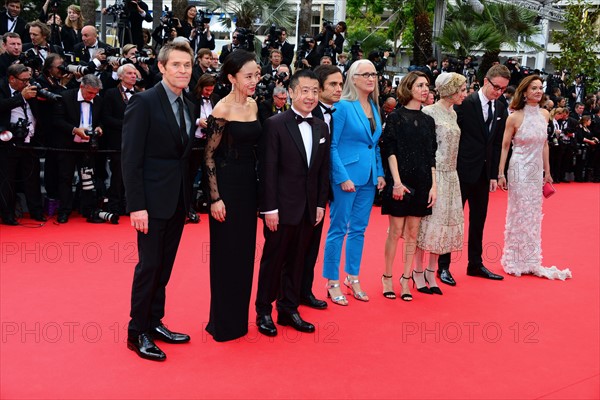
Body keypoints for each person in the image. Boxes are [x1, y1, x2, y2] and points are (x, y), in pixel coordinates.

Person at [122, 41, 195, 361]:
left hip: (177, 200)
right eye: (176, 65)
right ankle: (136, 331)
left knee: (164, 267)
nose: (183, 71)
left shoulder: (189, 104)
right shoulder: (144, 102)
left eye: (188, 65)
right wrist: (137, 205)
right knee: (149, 267)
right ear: (162, 67)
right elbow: (130, 157)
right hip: (150, 203)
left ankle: (154, 322)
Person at [255, 69, 330, 336]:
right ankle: (263, 310)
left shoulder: (322, 126)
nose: (310, 97)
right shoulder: (275, 124)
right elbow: (268, 170)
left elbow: (323, 170)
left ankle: (288, 309)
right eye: (304, 91)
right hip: (281, 208)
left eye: (314, 91)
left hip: (310, 208)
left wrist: (321, 204)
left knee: (299, 260)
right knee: (273, 260)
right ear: (291, 93)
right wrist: (269, 209)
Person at [203, 50, 261, 342]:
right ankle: (223, 324)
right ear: (231, 78)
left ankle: (239, 321)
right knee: (227, 254)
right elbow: (209, 156)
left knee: (244, 254)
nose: (254, 80)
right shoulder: (221, 109)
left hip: (249, 187)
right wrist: (215, 198)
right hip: (226, 187)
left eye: (257, 75)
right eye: (248, 76)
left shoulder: (254, 105)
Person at [437, 64, 511, 285]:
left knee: (479, 219)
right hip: (460, 172)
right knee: (452, 220)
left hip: (483, 174)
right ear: (486, 81)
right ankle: (443, 266)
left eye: (503, 89)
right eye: (496, 87)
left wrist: (495, 174)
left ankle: (475, 264)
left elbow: (497, 143)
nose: (499, 92)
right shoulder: (465, 104)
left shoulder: (500, 107)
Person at [322, 60, 385, 305]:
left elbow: (374, 144)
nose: (371, 78)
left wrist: (379, 173)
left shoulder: (374, 106)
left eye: (374, 74)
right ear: (353, 78)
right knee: (338, 229)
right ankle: (332, 281)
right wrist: (342, 177)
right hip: (346, 178)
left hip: (368, 178)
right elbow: (332, 145)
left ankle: (353, 276)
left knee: (359, 230)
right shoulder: (343, 107)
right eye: (366, 74)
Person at [497, 75, 572, 281]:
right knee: (519, 212)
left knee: (532, 214)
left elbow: (545, 144)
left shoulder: (545, 114)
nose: (538, 92)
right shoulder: (514, 117)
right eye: (534, 88)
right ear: (524, 92)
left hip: (536, 170)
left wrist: (547, 172)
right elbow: (505, 146)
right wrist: (501, 173)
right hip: (519, 169)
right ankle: (514, 259)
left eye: (540, 88)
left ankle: (530, 259)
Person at [379, 71, 437, 301]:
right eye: (420, 85)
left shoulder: (428, 121)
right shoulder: (396, 118)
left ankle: (405, 279)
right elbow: (389, 150)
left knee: (413, 233)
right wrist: (396, 182)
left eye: (427, 85)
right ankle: (387, 277)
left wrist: (433, 186)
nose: (425, 89)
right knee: (395, 232)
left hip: (423, 182)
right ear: (409, 88)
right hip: (400, 182)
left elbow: (431, 155)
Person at [413, 72, 468, 296]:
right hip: (434, 175)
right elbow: (423, 149)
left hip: (451, 176)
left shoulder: (453, 114)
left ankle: (430, 270)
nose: (465, 94)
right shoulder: (428, 112)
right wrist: (429, 179)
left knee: (444, 225)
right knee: (426, 225)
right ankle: (416, 271)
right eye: (462, 90)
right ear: (450, 91)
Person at [298, 64, 343, 310]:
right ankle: (289, 296)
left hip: (319, 192)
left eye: (340, 84)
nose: (338, 89)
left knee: (312, 246)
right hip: (299, 193)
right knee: (296, 248)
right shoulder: (306, 114)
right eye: (333, 85)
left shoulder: (332, 114)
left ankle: (305, 290)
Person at [0, 63, 45, 225]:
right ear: (12, 79)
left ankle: (37, 211)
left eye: (29, 80)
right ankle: (8, 214)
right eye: (23, 80)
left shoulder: (30, 89)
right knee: (7, 180)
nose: (27, 83)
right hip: (8, 142)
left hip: (30, 140)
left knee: (32, 178)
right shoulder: (2, 88)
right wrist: (20, 98)